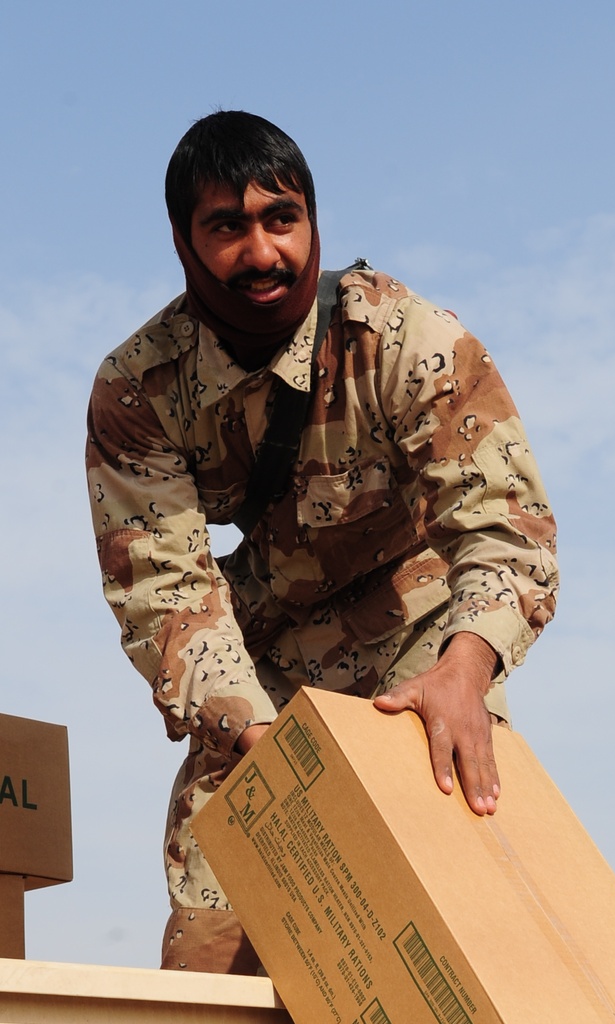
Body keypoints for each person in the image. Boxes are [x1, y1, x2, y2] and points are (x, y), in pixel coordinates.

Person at [86, 111, 558, 975]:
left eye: (281, 219)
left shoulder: (403, 339)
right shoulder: (139, 389)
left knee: (447, 912)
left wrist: (463, 671)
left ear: (313, 223)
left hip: (414, 634)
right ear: (183, 242)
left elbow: (505, 528)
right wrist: (269, 749)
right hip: (261, 662)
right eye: (226, 226)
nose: (261, 252)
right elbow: (167, 593)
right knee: (216, 944)